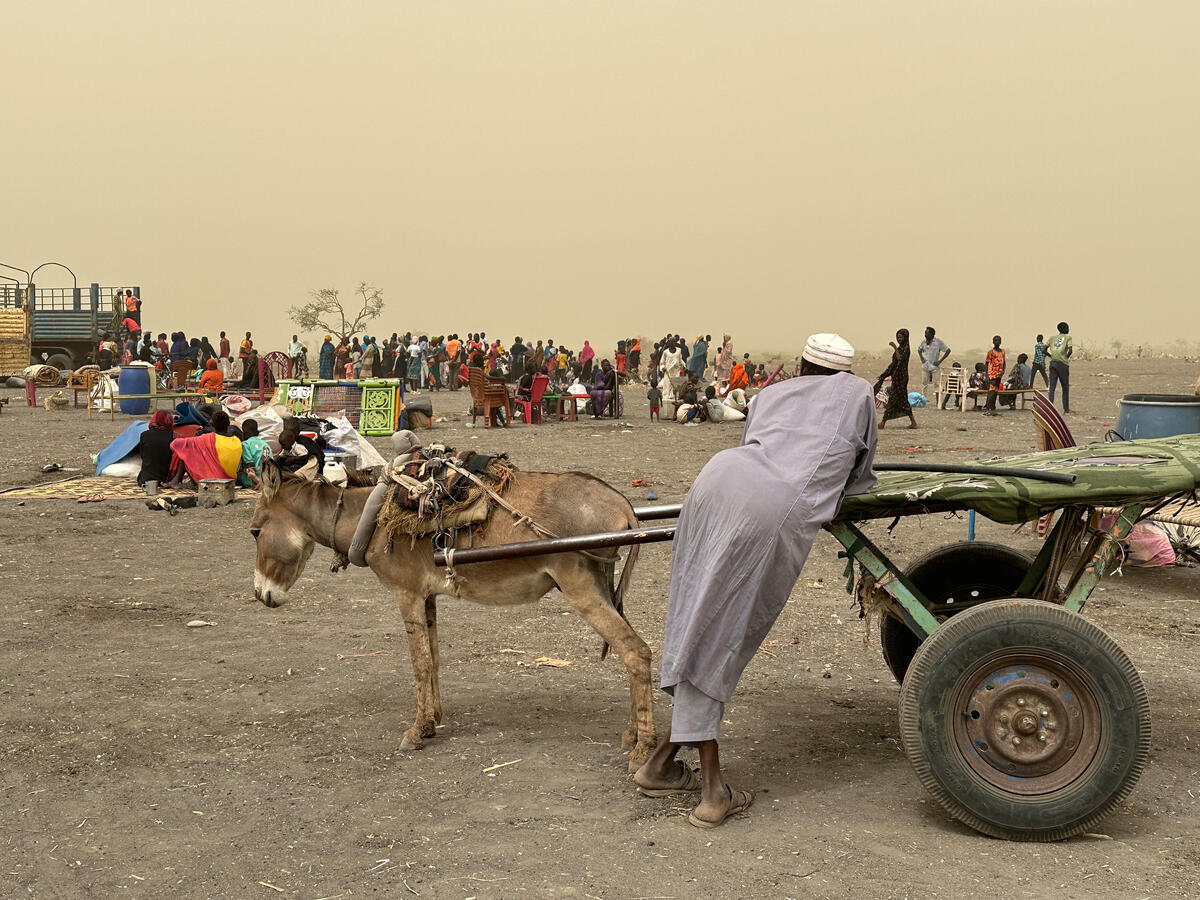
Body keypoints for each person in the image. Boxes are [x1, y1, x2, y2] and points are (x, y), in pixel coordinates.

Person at [633, 333, 876, 827]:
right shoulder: (858, 394)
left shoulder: (771, 392)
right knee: (721, 637)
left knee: (693, 623)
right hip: (771, 508)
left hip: (718, 480)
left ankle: (660, 764)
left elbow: (755, 443)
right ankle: (712, 791)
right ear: (844, 372)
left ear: (802, 364)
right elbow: (861, 471)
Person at [874, 328, 916, 429]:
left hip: (902, 378)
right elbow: (893, 364)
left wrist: (894, 347)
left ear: (905, 337)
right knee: (901, 399)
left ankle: (883, 422)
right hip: (897, 378)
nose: (898, 339)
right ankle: (913, 422)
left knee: (894, 399)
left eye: (901, 337)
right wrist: (884, 375)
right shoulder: (901, 348)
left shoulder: (906, 348)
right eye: (897, 337)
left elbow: (899, 358)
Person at [137, 410, 175, 487]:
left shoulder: (144, 435)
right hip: (166, 479)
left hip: (145, 479)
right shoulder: (174, 436)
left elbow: (143, 455)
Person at [237, 419, 273, 487]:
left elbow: (250, 465)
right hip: (267, 480)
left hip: (253, 482)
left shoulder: (245, 444)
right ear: (258, 432)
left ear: (243, 434)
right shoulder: (265, 444)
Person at [1047, 321, 1073, 413]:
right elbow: (1070, 350)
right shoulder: (1068, 337)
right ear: (1065, 329)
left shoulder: (1052, 338)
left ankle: (1050, 408)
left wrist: (1051, 356)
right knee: (1065, 388)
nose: (1069, 329)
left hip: (1053, 363)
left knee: (1052, 387)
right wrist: (1065, 357)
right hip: (1062, 364)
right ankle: (1066, 409)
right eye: (1068, 328)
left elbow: (1043, 349)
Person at [917, 326, 951, 390]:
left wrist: (940, 361)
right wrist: (921, 358)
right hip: (925, 366)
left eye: (926, 333)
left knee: (937, 384)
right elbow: (919, 350)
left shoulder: (938, 342)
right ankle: (924, 399)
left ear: (931, 334)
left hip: (934, 366)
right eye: (925, 333)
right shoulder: (923, 342)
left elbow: (948, 350)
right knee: (924, 384)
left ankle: (938, 399)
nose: (925, 335)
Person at [981, 335, 1007, 417]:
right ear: (993, 342)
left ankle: (993, 408)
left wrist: (1003, 371)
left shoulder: (1003, 351)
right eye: (995, 340)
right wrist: (986, 374)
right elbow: (986, 363)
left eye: (998, 340)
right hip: (992, 374)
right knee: (991, 392)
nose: (997, 342)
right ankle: (988, 408)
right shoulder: (990, 352)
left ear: (1000, 342)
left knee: (995, 392)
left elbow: (1004, 362)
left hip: (999, 375)